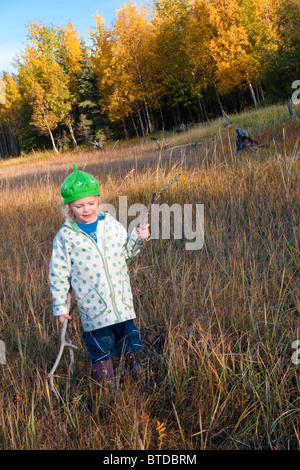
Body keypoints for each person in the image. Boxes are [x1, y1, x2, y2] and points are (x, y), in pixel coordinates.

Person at [49, 164, 150, 390]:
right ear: (69, 207)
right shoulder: (66, 236)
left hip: (121, 302)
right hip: (94, 308)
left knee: (127, 340)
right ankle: (107, 386)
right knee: (101, 346)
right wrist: (60, 307)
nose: (86, 209)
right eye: (79, 206)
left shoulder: (110, 224)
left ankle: (131, 373)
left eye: (91, 203)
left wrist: (138, 236)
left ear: (98, 200)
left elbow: (128, 253)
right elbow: (58, 274)